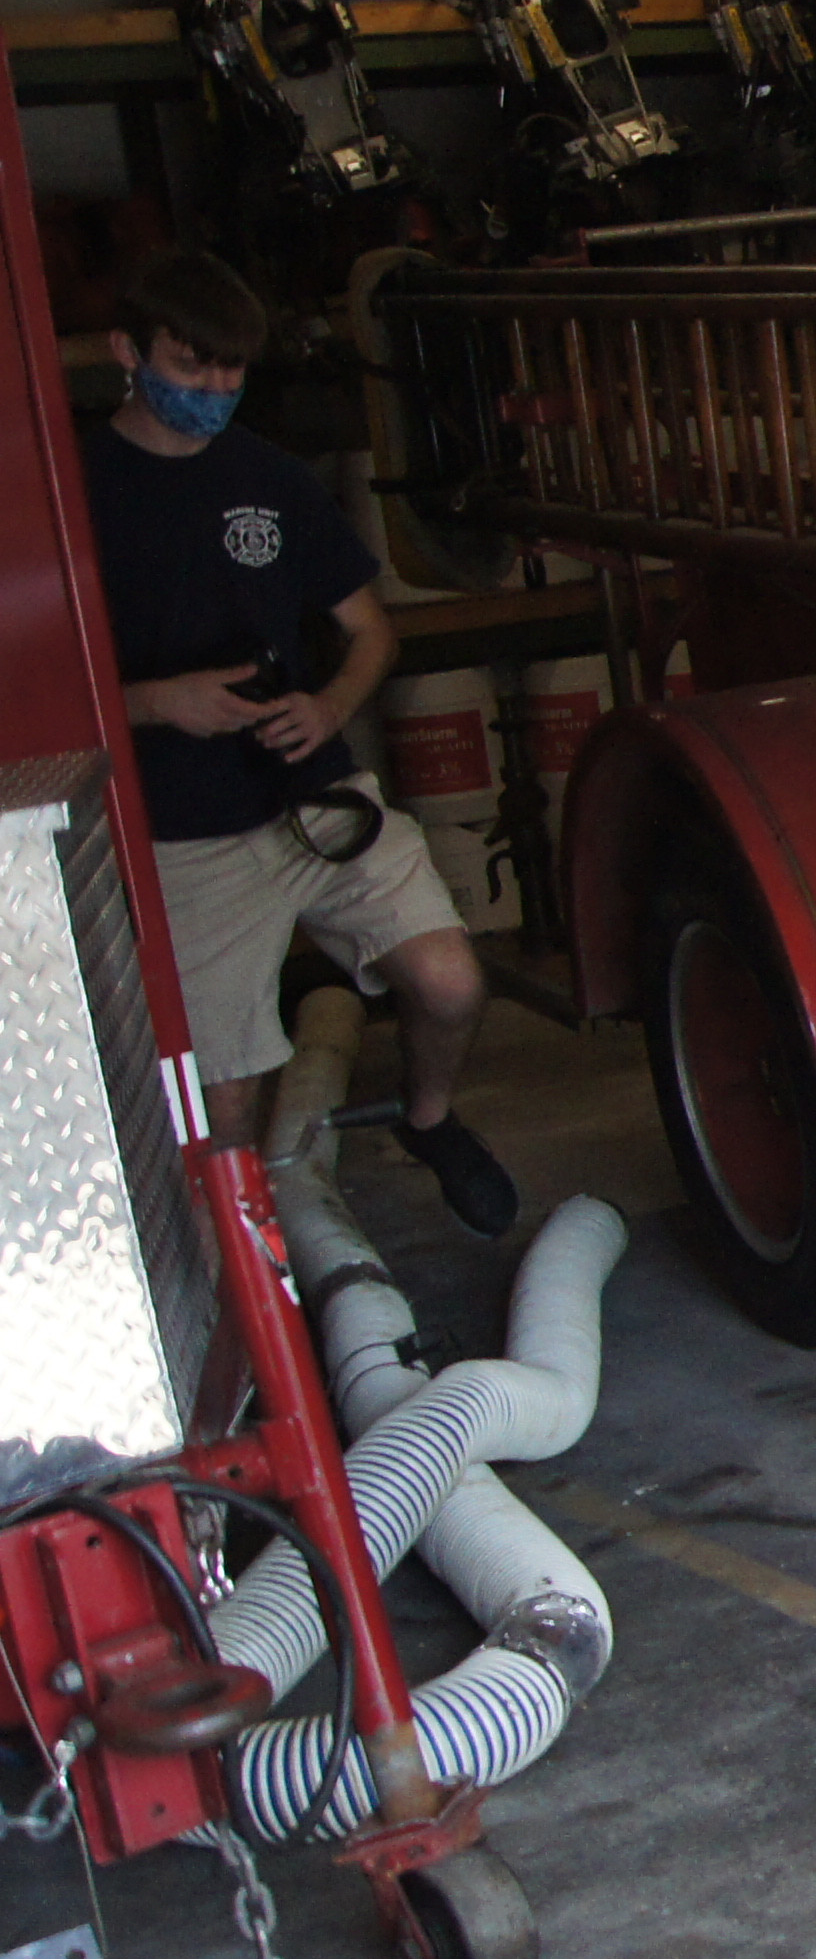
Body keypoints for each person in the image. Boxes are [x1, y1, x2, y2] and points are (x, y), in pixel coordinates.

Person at [85, 250, 519, 1234]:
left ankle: (429, 1116)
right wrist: (162, 700)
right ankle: (243, 1287)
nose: (215, 390)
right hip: (186, 834)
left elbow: (372, 631)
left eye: (232, 371)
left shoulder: (271, 478)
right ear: (127, 351)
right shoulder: (75, 494)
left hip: (317, 799)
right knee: (227, 1096)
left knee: (450, 978)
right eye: (193, 368)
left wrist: (327, 707)